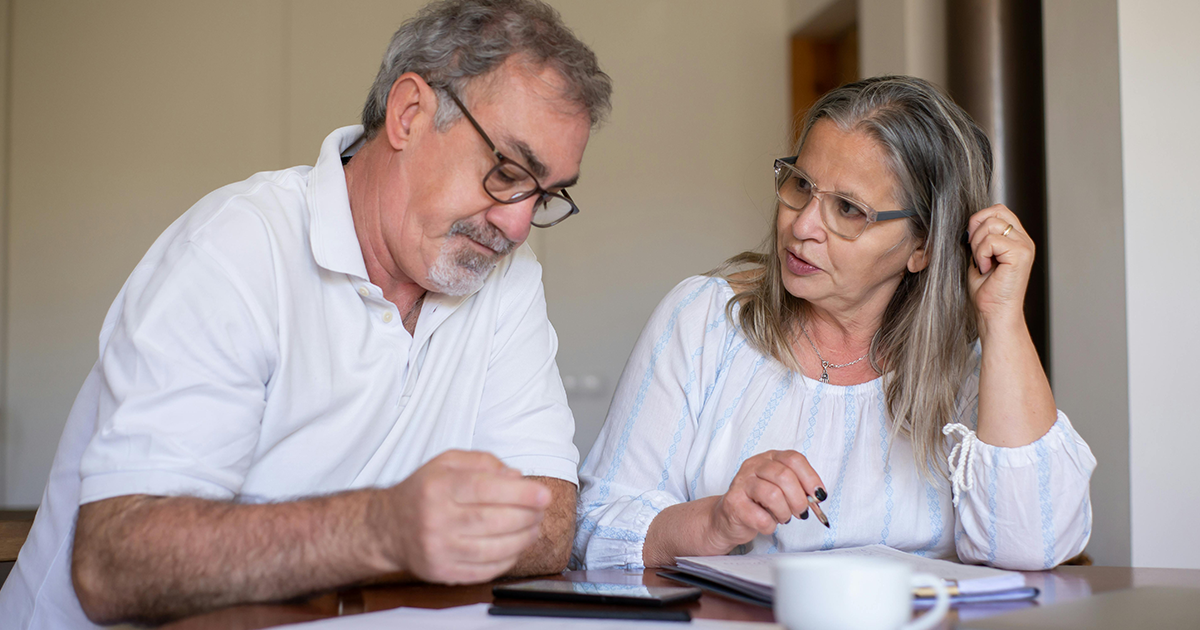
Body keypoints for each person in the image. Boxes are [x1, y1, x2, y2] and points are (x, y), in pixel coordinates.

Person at [0, 1, 612, 627]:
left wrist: (371, 547)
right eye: (507, 171)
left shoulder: (507, 277)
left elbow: (548, 522)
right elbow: (116, 564)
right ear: (409, 114)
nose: (516, 224)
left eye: (544, 194)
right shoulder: (237, 248)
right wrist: (381, 527)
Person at [573, 76, 1094, 572]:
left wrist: (1002, 320)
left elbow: (1036, 543)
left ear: (923, 247)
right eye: (801, 184)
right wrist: (717, 521)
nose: (800, 225)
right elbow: (595, 529)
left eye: (848, 209)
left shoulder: (965, 369)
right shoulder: (705, 320)